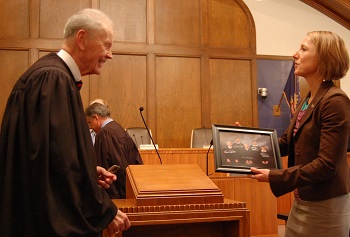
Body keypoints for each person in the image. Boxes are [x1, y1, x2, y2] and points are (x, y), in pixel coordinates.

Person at [0, 8, 131, 236]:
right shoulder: (54, 79)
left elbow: (48, 158)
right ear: (82, 39)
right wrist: (103, 209)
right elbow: (60, 164)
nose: (110, 55)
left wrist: (89, 172)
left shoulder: (52, 75)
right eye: (107, 45)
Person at [248, 31, 350, 236]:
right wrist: (248, 141)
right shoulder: (309, 98)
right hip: (303, 198)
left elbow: (326, 165)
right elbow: (287, 142)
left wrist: (275, 176)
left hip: (326, 204)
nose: (295, 54)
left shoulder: (335, 101)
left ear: (323, 58)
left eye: (303, 49)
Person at [85, 102, 144, 199]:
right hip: (129, 190)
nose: (90, 127)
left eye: (90, 123)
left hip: (116, 194)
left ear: (96, 118)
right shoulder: (118, 128)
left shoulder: (105, 134)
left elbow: (112, 166)